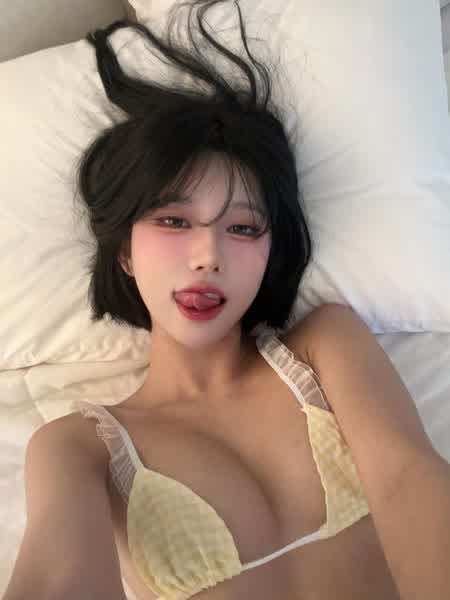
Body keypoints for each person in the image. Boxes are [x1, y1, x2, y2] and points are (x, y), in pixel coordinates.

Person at [69, 1, 450, 599]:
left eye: (243, 227)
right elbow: (55, 579)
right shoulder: (78, 447)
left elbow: (409, 476)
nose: (207, 256)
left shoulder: (326, 346)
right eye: (173, 220)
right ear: (124, 252)